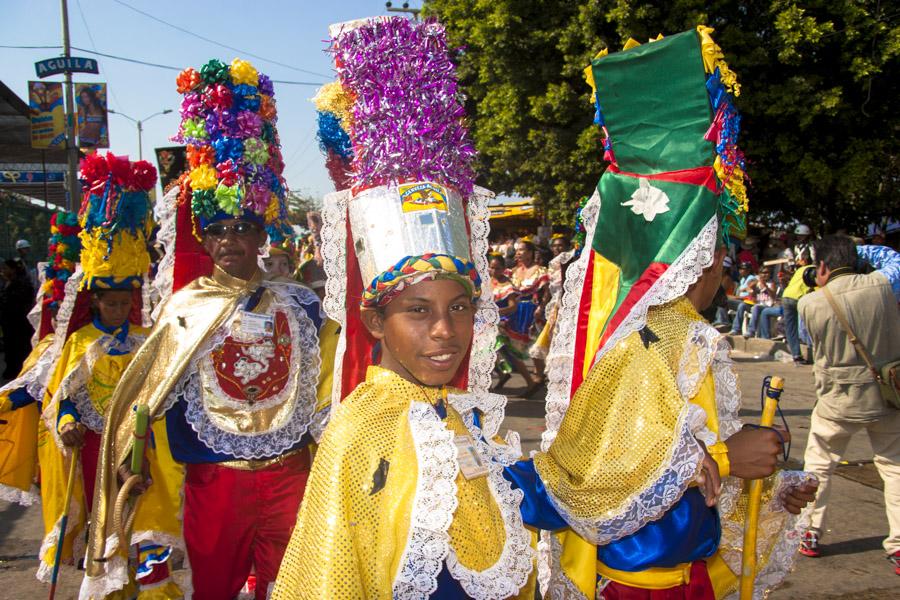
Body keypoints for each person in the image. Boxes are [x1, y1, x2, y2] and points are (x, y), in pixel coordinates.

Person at [532, 27, 817, 598]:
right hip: (638, 584)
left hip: (683, 577)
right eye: (715, 252)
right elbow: (596, 478)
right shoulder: (647, 341)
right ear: (691, 256)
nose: (722, 269)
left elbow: (678, 459)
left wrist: (768, 481)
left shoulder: (682, 335)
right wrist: (724, 456)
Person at [273, 18, 536, 598]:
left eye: (461, 307)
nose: (446, 332)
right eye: (418, 311)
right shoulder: (357, 434)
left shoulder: (458, 409)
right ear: (374, 322)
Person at [82, 58, 333, 600]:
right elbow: (147, 393)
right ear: (205, 238)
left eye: (242, 229)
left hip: (290, 475)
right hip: (215, 483)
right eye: (217, 231)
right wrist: (134, 454)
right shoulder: (184, 308)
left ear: (260, 234)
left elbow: (329, 388)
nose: (229, 241)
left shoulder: (301, 305)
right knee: (214, 590)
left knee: (295, 588)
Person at [798, 236, 900, 573]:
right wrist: (862, 252)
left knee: (819, 463)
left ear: (822, 266)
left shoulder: (809, 304)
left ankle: (810, 532)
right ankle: (898, 544)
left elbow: (805, 340)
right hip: (886, 396)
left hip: (836, 400)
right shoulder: (885, 284)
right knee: (895, 468)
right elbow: (893, 258)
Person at [504, 236, 549, 394]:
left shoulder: (540, 270)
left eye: (522, 250)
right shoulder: (512, 271)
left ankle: (538, 376)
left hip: (532, 309)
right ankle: (530, 378)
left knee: (534, 346)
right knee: (512, 345)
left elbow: (546, 292)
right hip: (515, 311)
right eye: (517, 250)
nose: (519, 253)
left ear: (530, 252)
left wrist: (541, 307)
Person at [0, 258, 35, 379]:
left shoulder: (21, 283)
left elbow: (19, 304)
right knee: (10, 347)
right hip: (9, 323)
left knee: (20, 349)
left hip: (19, 324)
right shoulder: (8, 283)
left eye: (5, 268)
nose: (2, 271)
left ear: (13, 270)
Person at [781, 253, 815, 364]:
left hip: (786, 296)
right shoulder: (815, 271)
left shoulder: (801, 270)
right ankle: (812, 348)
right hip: (799, 298)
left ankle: (796, 355)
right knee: (808, 324)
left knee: (791, 328)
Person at [746, 267, 779, 338]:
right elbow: (752, 295)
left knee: (756, 307)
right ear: (759, 274)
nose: (765, 275)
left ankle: (751, 331)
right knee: (747, 306)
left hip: (768, 306)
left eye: (767, 273)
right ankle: (741, 330)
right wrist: (754, 288)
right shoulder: (757, 283)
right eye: (763, 273)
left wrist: (765, 286)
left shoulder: (771, 283)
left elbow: (773, 296)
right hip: (758, 305)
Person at [728, 261, 757, 335]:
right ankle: (723, 322)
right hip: (740, 300)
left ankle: (735, 328)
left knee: (728, 301)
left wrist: (737, 297)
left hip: (747, 302)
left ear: (748, 270)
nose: (740, 270)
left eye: (742, 269)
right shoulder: (742, 279)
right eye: (740, 268)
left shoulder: (752, 278)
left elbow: (750, 294)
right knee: (723, 300)